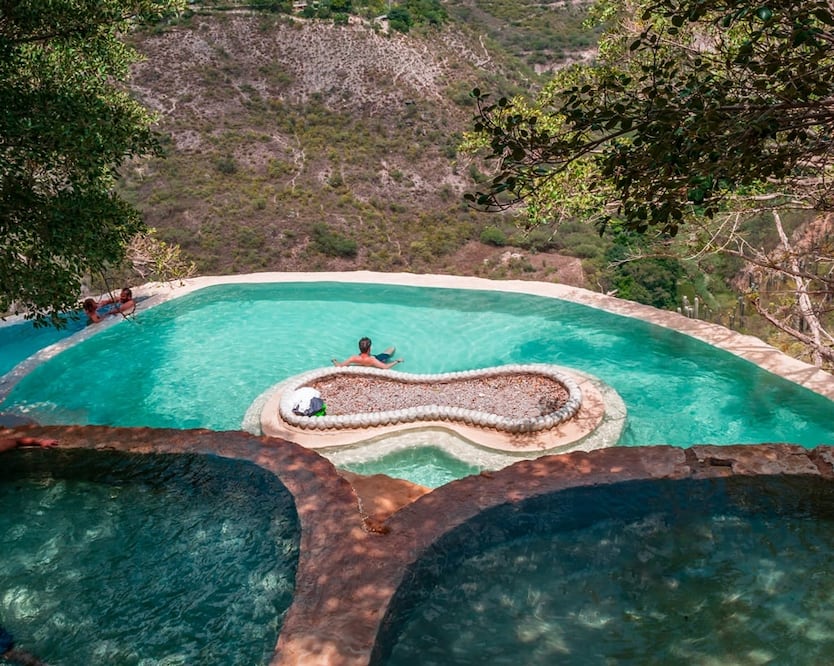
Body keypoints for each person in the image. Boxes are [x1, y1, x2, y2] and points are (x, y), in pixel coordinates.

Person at [332, 337, 404, 369]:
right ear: (369, 349)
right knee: (392, 348)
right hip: (379, 360)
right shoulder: (372, 359)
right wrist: (397, 361)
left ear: (359, 348)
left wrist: (334, 360)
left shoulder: (353, 358)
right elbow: (385, 367)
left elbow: (339, 366)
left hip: (364, 359)